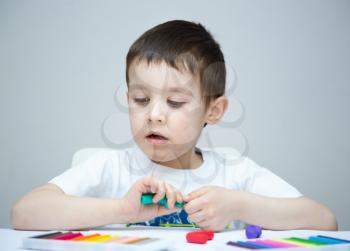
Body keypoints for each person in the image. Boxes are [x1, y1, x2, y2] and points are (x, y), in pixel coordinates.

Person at [11, 20, 337, 231]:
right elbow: (24, 214)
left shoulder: (236, 173)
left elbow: (324, 221)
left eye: (175, 102)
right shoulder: (110, 167)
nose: (154, 115)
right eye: (140, 99)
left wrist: (238, 204)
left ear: (214, 110)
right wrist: (121, 210)